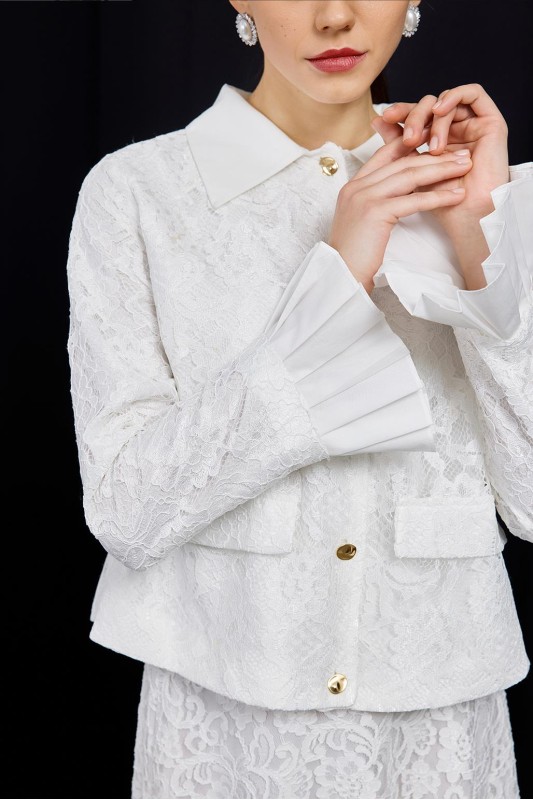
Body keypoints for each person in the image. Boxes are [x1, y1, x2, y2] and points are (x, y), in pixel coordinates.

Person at [66, 1, 533, 797]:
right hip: (224, 709)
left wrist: (478, 238)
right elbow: (126, 511)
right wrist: (337, 277)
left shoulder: (479, 189)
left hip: (436, 720)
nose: (335, 17)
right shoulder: (138, 192)